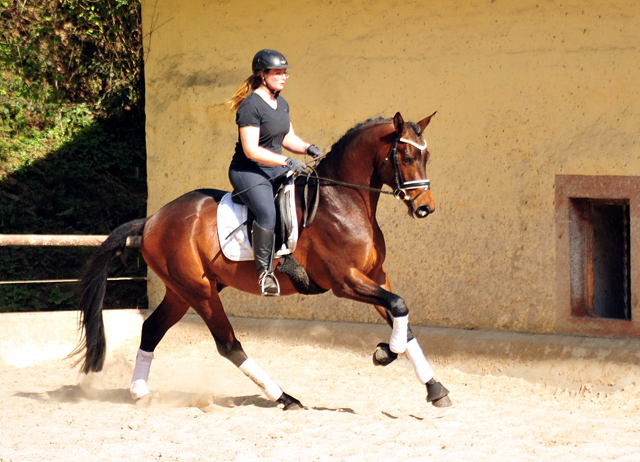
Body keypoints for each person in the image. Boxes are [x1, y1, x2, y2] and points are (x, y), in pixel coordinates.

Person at [227, 49, 322, 296]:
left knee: (298, 201)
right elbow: (251, 150)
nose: (283, 77)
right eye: (278, 73)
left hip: (274, 168)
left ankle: (286, 254)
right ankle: (264, 274)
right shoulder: (250, 106)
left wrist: (308, 148)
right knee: (268, 212)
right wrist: (286, 161)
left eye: (285, 73)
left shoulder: (281, 103)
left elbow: (288, 137)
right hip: (248, 171)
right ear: (262, 75)